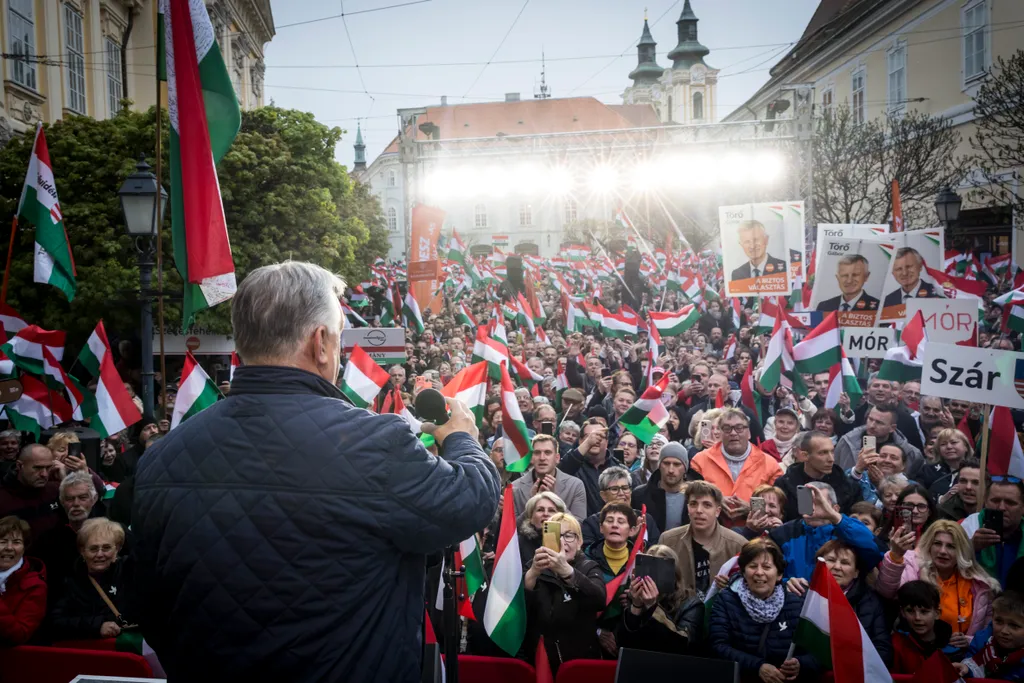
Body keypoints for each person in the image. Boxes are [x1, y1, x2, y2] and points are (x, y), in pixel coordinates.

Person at [132, 262, 501, 683]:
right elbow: (470, 501)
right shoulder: (374, 442)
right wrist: (462, 439)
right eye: (341, 337)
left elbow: (147, 606)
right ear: (321, 342)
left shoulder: (163, 457)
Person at [708, 537, 817, 682]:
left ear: (779, 574)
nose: (759, 573)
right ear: (743, 572)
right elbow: (718, 647)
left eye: (766, 567)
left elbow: (817, 652)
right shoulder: (726, 600)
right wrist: (758, 667)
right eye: (753, 566)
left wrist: (800, 664)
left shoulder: (796, 602)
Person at [877, 520, 997, 646]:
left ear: (961, 550)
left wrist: (969, 641)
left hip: (963, 657)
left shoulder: (980, 584)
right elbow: (887, 591)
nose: (943, 551)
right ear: (929, 545)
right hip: (918, 651)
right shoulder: (913, 566)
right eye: (937, 544)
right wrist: (895, 556)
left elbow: (987, 633)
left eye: (951, 546)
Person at [523, 512, 606, 672]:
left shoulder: (589, 567)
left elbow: (599, 600)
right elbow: (519, 609)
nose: (562, 542)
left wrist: (567, 571)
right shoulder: (533, 566)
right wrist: (532, 573)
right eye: (555, 535)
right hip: (539, 659)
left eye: (568, 536)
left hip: (578, 662)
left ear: (579, 541)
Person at [770, 482, 882, 583]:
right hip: (795, 601)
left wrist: (833, 516)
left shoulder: (847, 533)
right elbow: (768, 573)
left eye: (819, 503)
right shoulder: (783, 534)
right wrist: (786, 583)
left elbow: (876, 551)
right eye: (808, 501)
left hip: (843, 600)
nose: (813, 508)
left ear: (836, 508)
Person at [689, 409, 783, 522]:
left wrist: (752, 507)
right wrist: (716, 499)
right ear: (720, 433)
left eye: (739, 428)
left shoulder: (770, 465)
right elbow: (690, 496)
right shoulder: (700, 461)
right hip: (712, 530)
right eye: (727, 428)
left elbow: (779, 505)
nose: (733, 433)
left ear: (749, 433)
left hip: (755, 533)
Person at [659, 481, 747, 602]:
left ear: (717, 511)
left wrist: (731, 587)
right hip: (678, 614)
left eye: (707, 505)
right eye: (693, 504)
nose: (699, 510)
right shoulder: (668, 540)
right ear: (688, 508)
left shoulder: (738, 544)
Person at [50, 518, 135, 640]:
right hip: (90, 653)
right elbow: (56, 622)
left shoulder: (131, 572)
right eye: (93, 549)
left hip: (130, 649)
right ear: (82, 551)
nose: (100, 554)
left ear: (117, 549)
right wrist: (97, 626)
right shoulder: (70, 581)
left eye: (106, 548)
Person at [815, 539, 892, 665]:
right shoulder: (804, 594)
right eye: (831, 560)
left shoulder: (872, 602)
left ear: (856, 572)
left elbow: (882, 649)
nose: (837, 567)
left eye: (845, 563)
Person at [617, 544, 705, 654]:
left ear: (673, 574)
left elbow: (684, 644)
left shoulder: (691, 604)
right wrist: (636, 606)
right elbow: (623, 644)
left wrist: (653, 607)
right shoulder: (637, 598)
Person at [33, 472, 104, 602]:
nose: (76, 504)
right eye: (70, 499)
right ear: (62, 502)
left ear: (94, 499)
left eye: (82, 497)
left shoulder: (110, 533)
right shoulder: (48, 540)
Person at [584, 502, 637, 657]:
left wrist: (636, 604)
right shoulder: (585, 561)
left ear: (632, 530)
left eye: (621, 522)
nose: (614, 525)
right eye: (609, 521)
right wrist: (598, 632)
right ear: (601, 528)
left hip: (629, 642)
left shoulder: (641, 563)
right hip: (590, 643)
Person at [774, 431, 862, 521]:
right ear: (805, 455)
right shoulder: (783, 485)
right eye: (823, 453)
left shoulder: (849, 486)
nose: (831, 459)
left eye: (832, 452)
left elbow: (857, 523)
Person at [962, 476, 1024, 587]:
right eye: (995, 501)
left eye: (1010, 503)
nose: (1001, 507)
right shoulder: (970, 525)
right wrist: (971, 547)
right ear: (985, 501)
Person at [835, 405, 924, 478]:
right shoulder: (846, 442)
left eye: (879, 423)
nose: (872, 425)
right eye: (870, 419)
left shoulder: (911, 453)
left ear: (892, 428)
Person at [512, 435, 586, 521]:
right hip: (528, 534)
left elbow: (579, 525)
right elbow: (513, 529)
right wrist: (532, 503)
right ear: (531, 458)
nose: (542, 458)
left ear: (557, 458)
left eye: (547, 453)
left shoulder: (575, 485)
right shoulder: (515, 487)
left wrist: (555, 499)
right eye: (537, 453)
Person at [0, 445, 62, 545]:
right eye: (37, 468)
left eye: (48, 468)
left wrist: (66, 480)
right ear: (19, 466)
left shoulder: (56, 490)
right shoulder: (3, 498)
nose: (44, 474)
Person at [582, 468, 660, 546]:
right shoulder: (591, 524)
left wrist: (638, 539)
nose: (621, 493)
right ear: (603, 495)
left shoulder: (646, 519)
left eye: (625, 488)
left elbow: (655, 551)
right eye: (614, 489)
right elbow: (589, 552)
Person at [891, 580, 957, 674]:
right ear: (902, 612)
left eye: (924, 611)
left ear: (937, 613)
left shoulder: (952, 644)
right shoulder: (896, 645)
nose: (917, 617)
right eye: (910, 611)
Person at [0, 515, 46, 645]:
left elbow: (20, 634)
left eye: (16, 542)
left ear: (24, 548)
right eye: (3, 541)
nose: (9, 547)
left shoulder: (35, 586)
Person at [957, 591, 1024, 680]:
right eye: (999, 621)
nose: (1004, 631)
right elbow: (971, 664)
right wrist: (967, 670)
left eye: (1014, 625)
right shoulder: (981, 641)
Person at [559, 419, 620, 516]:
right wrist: (588, 443)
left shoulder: (619, 469)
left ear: (607, 442)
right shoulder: (572, 464)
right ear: (580, 441)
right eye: (589, 436)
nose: (595, 440)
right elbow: (560, 473)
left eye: (600, 436)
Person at [631, 443, 690, 534]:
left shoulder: (695, 497)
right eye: (666, 463)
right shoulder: (640, 495)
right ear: (659, 465)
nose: (671, 470)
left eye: (677, 464)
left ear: (685, 468)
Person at [519, 492, 567, 565]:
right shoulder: (519, 543)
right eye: (540, 510)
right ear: (531, 517)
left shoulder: (569, 540)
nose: (546, 514)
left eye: (551, 510)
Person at [919, 428, 972, 493]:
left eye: (954, 442)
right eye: (943, 444)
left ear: (966, 447)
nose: (949, 447)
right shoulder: (928, 471)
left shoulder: (977, 470)